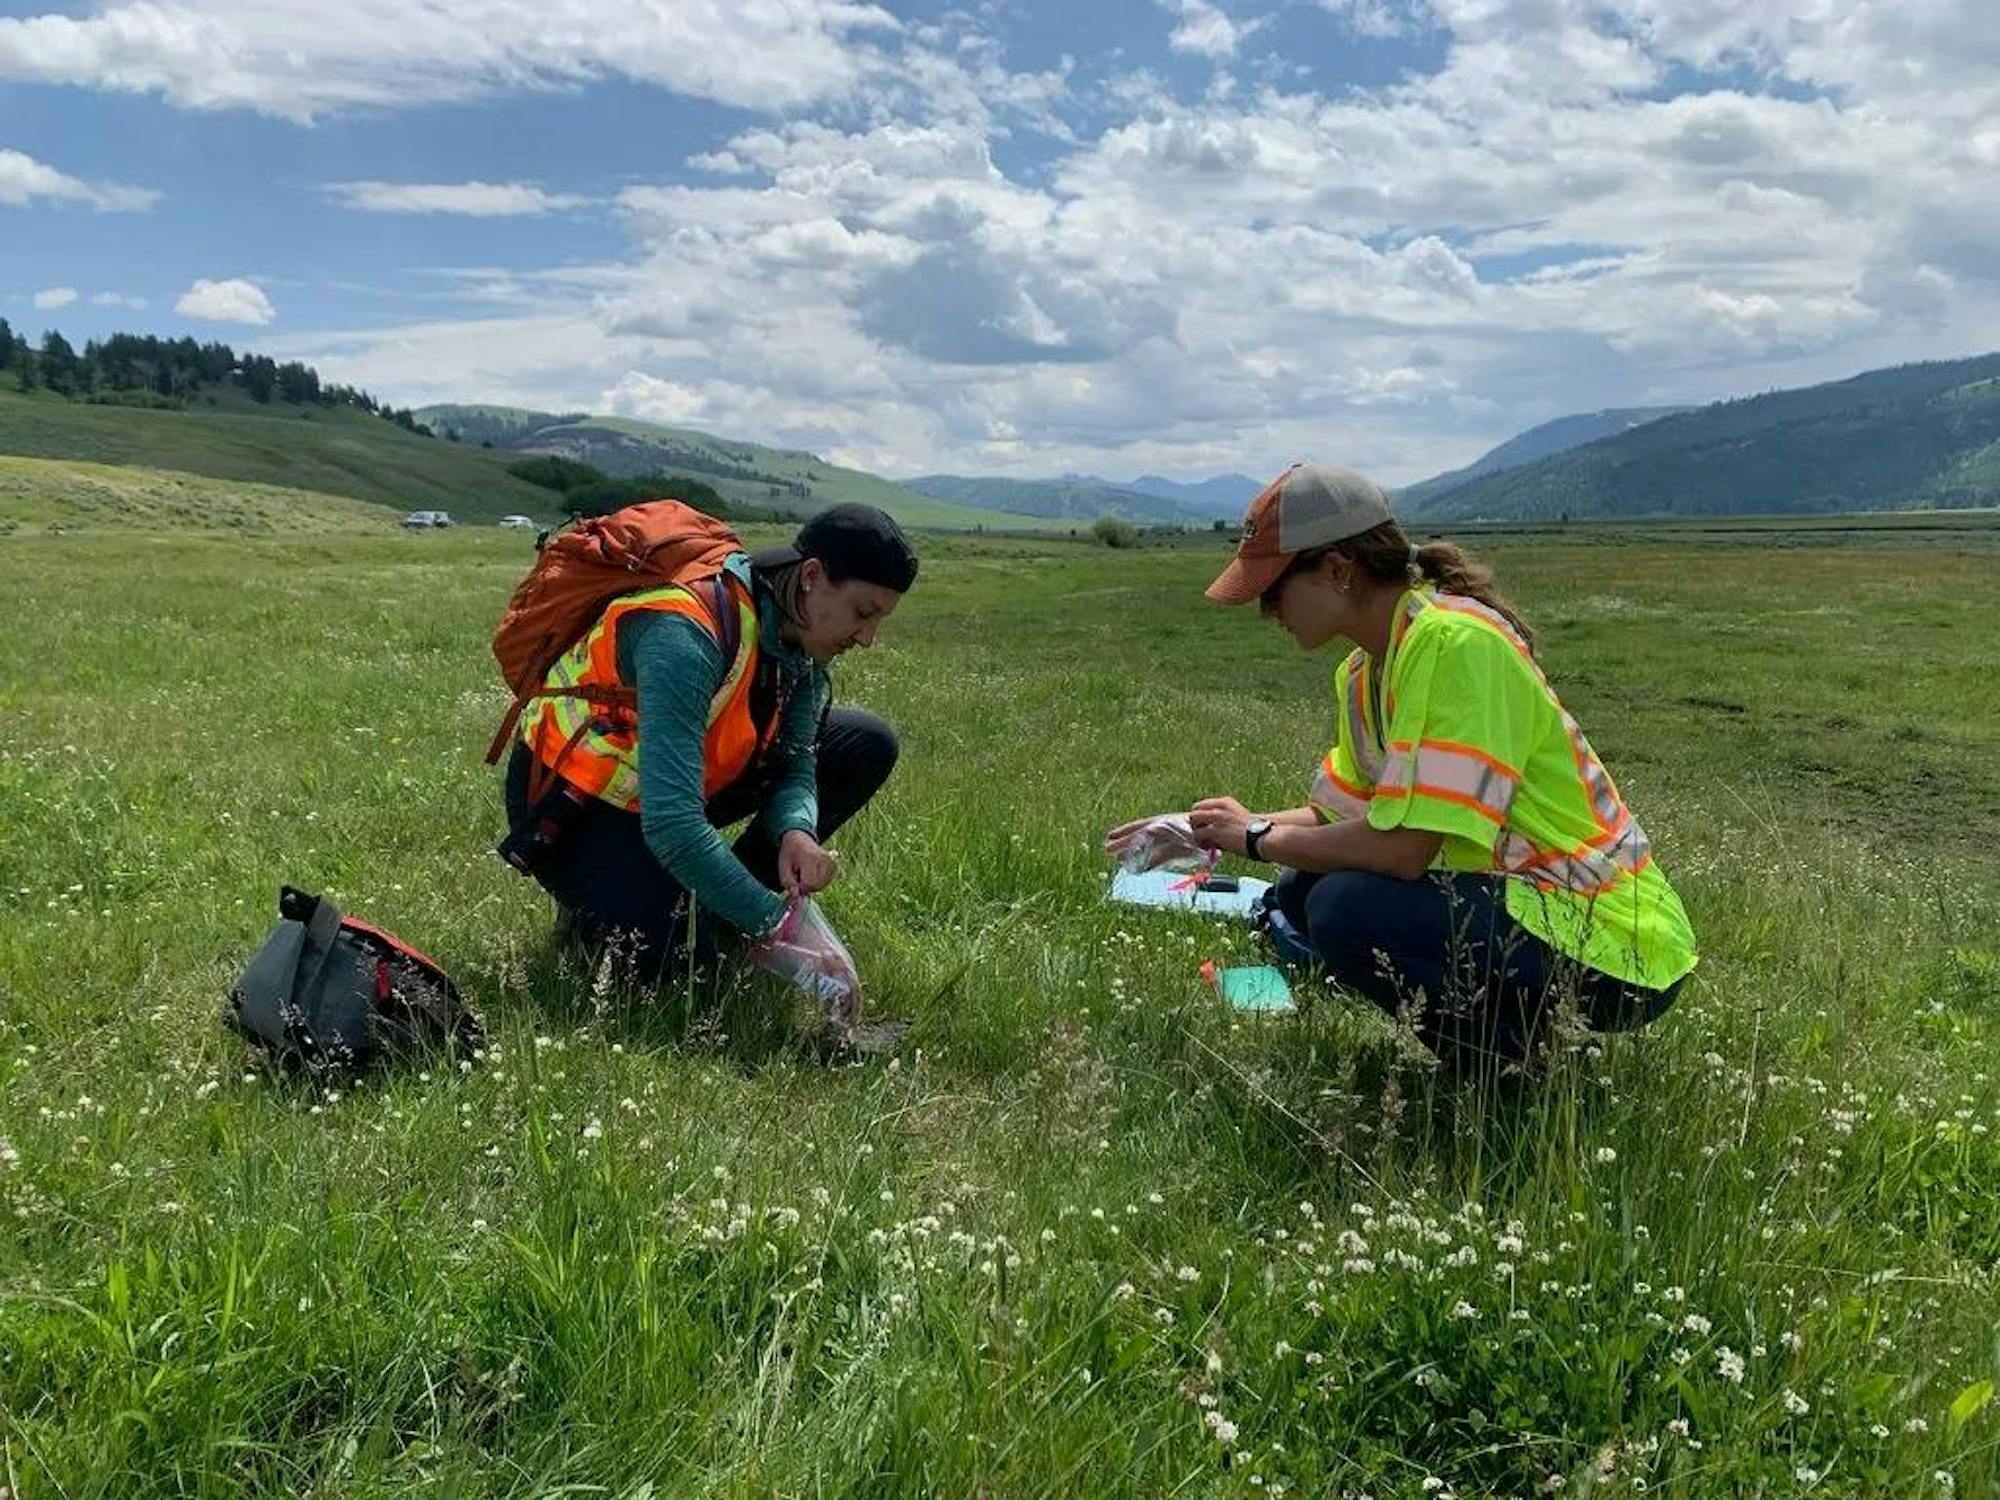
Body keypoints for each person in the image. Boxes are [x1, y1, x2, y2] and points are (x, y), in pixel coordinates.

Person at [1177, 462, 1696, 1075]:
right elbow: (1335, 815)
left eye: (1273, 589)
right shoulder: (1366, 671)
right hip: (1533, 909)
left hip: (1615, 941)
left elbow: (1403, 850)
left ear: (1339, 570)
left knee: (1345, 908)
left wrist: (1258, 840)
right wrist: (1218, 828)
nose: (1267, 610)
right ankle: (1530, 1050)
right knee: (1301, 888)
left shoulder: (1454, 646)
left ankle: (1514, 1077)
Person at [501, 502, 917, 987]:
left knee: (866, 742)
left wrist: (796, 831)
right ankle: (605, 905)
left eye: (878, 620)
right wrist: (777, 925)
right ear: (810, 575)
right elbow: (673, 823)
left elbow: (798, 758)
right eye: (862, 613)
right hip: (575, 805)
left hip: (664, 788)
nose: (866, 638)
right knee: (682, 976)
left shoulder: (795, 634)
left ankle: (710, 910)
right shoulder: (684, 634)